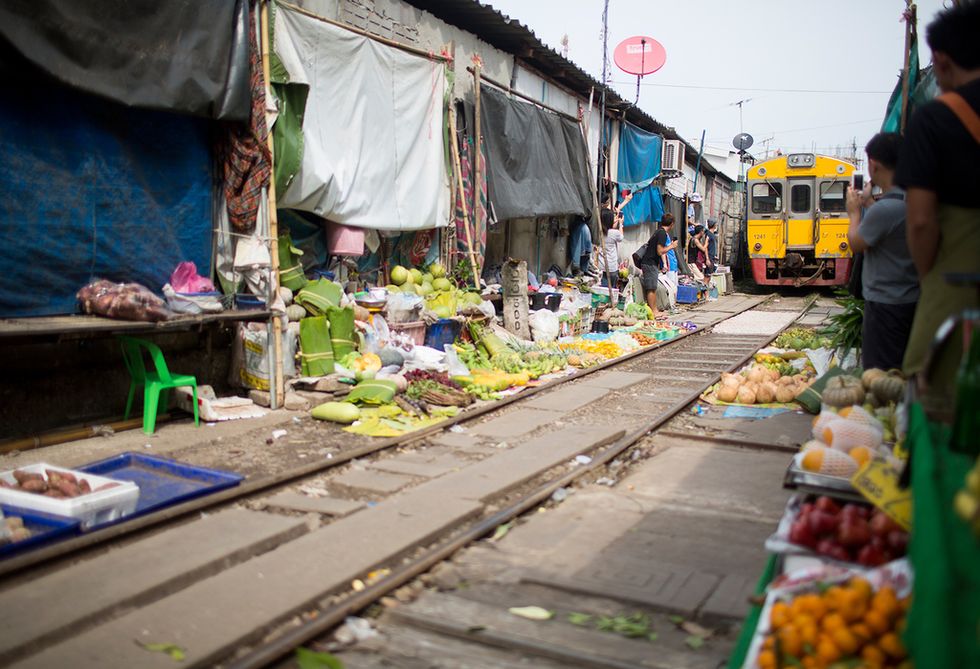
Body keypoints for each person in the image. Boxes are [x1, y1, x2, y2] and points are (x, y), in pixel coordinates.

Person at [894, 2, 980, 411]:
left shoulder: (936, 119)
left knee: (943, 407)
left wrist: (933, 278)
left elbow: (922, 220)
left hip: (959, 286)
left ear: (942, 61)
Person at [846, 132, 919, 371]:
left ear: (874, 164)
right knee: (898, 368)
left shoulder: (885, 210)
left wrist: (854, 213)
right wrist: (868, 204)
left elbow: (856, 243)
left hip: (884, 304)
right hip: (909, 298)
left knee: (880, 372)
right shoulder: (911, 202)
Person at [654, 213, 680, 306]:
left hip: (673, 263)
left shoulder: (666, 234)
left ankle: (673, 304)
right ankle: (670, 304)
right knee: (671, 286)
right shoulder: (663, 234)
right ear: (672, 224)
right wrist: (664, 264)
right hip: (669, 264)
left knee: (674, 286)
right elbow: (662, 251)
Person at [600, 208, 623, 285]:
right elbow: (621, 237)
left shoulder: (598, 232)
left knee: (602, 292)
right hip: (612, 267)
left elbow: (607, 228)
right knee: (611, 292)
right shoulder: (614, 233)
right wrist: (620, 224)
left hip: (601, 267)